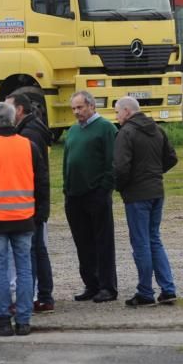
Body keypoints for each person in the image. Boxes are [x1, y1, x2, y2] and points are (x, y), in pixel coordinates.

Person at [0, 103, 49, 337]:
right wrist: (40, 213)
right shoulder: (29, 146)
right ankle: (24, 321)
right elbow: (42, 183)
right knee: (25, 269)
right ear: (14, 121)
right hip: (25, 218)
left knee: (0, 270)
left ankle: (3, 319)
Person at [113, 97, 179, 307]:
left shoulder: (126, 132)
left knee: (140, 242)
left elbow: (121, 167)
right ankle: (168, 289)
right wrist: (155, 174)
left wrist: (120, 186)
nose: (117, 117)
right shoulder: (157, 129)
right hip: (156, 191)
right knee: (154, 239)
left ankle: (145, 292)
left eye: (117, 113)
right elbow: (171, 158)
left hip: (137, 195)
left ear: (126, 111)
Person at [62, 91, 119, 303]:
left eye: (80, 107)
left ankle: (107, 286)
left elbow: (113, 161)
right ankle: (91, 284)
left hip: (96, 194)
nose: (77, 112)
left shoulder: (106, 128)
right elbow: (67, 160)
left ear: (92, 106)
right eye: (74, 108)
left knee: (102, 241)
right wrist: (67, 188)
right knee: (83, 242)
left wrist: (104, 188)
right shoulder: (74, 131)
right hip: (74, 196)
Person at [6, 93, 55, 313]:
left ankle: (35, 295)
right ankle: (43, 295)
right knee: (38, 249)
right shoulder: (33, 129)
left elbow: (34, 172)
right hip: (36, 199)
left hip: (31, 200)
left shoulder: (29, 134)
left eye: (8, 108)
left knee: (32, 250)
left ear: (19, 110)